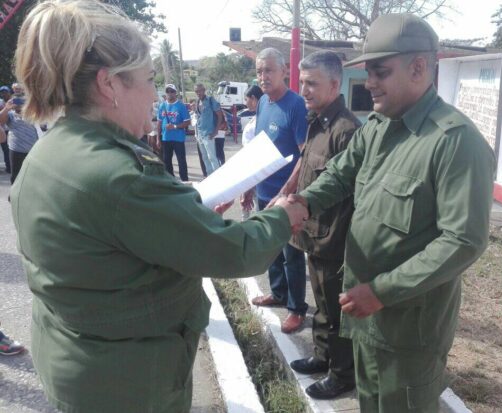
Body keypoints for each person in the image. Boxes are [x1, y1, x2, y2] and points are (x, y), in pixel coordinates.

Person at [10, 2, 308, 412]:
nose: (155, 94)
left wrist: (185, 213)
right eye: (149, 80)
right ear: (109, 84)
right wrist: (282, 217)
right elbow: (231, 251)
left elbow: (113, 242)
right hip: (126, 383)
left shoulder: (51, 152)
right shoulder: (119, 176)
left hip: (76, 362)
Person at [289, 13, 495, 412]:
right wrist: (304, 202)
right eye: (368, 72)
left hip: (407, 330)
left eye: (380, 72)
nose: (369, 84)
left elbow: (463, 241)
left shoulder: (454, 141)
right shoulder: (380, 126)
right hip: (366, 316)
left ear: (418, 67)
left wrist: (382, 292)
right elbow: (341, 172)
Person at [281, 51, 360, 399]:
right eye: (302, 82)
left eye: (311, 83)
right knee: (322, 306)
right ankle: (323, 356)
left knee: (336, 308)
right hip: (314, 234)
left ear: (334, 84)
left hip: (335, 238)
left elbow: (347, 189)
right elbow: (307, 165)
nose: (304, 90)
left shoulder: (347, 130)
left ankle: (343, 375)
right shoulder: (318, 120)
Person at [245, 47, 309, 334]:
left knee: (292, 254)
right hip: (263, 190)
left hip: (284, 196)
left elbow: (304, 155)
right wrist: (249, 185)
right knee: (271, 249)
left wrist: (285, 192)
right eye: (259, 71)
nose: (263, 76)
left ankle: (296, 308)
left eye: (269, 70)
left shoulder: (296, 106)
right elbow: (259, 149)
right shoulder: (263, 104)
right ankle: (278, 293)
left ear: (285, 71)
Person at [0, 94, 39, 184]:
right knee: (15, 175)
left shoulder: (32, 113)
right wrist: (6, 108)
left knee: (31, 175)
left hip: (32, 150)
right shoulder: (10, 114)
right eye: (16, 101)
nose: (19, 104)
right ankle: (13, 195)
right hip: (16, 150)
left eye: (21, 101)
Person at [156, 84, 190, 181]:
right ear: (165, 93)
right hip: (166, 138)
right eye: (168, 91)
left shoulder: (181, 106)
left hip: (178, 138)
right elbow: (159, 122)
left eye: (172, 91)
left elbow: (187, 122)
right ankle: (171, 181)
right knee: (167, 161)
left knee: (181, 161)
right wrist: (158, 138)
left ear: (175, 93)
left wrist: (175, 126)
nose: (170, 93)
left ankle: (185, 181)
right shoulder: (162, 105)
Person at [240, 85, 263, 220]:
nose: (245, 102)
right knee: (248, 205)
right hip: (249, 165)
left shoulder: (260, 119)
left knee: (251, 203)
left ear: (254, 99)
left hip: (253, 166)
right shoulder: (257, 117)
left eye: (246, 99)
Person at [194, 83, 223, 175]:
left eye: (200, 90)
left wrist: (215, 131)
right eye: (196, 91)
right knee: (205, 158)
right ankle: (210, 177)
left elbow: (220, 116)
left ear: (204, 90)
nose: (199, 93)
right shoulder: (197, 102)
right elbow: (198, 118)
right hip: (200, 134)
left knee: (212, 157)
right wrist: (196, 134)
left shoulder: (211, 100)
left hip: (209, 133)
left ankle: (218, 178)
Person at [0, 86, 12, 173]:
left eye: (5, 92)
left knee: (7, 149)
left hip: (8, 130)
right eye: (2, 92)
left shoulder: (13, 101)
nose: (4, 94)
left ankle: (9, 167)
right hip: (1, 128)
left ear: (9, 92)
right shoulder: (0, 102)